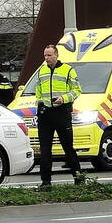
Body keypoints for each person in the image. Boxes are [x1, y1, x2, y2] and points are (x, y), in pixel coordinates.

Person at [34, 44, 83, 186]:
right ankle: (46, 182)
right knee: (44, 149)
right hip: (45, 113)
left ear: (57, 55)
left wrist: (64, 99)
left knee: (68, 147)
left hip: (62, 112)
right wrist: (40, 103)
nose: (46, 58)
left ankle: (78, 178)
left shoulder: (68, 70)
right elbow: (38, 90)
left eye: (49, 55)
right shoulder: (41, 71)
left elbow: (77, 90)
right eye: (45, 55)